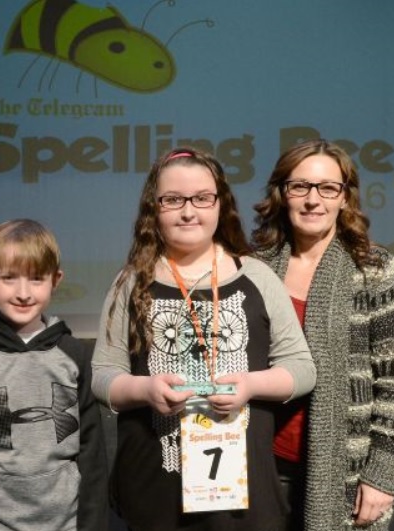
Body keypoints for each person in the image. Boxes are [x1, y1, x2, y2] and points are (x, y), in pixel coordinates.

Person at [92, 147, 317, 531]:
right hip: (155, 489)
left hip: (241, 496)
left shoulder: (258, 277)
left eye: (202, 198)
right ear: (154, 207)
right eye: (172, 199)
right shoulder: (129, 283)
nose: (188, 211)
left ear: (220, 204)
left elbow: (302, 369)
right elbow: (102, 377)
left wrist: (250, 384)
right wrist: (146, 389)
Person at [251, 139, 394, 531]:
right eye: (301, 186)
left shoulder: (374, 269)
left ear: (345, 198)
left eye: (328, 188)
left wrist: (381, 473)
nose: (314, 200)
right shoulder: (254, 268)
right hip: (261, 463)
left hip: (344, 468)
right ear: (282, 193)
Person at [0, 218, 108, 530]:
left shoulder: (73, 353)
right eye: (9, 278)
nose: (23, 293)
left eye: (36, 279)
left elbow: (91, 451)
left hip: (65, 522)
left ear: (56, 280)